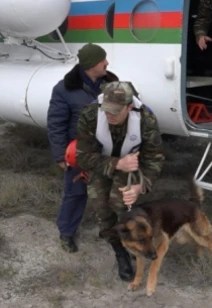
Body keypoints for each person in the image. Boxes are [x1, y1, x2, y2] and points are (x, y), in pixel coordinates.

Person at [75, 81, 165, 281]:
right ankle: (118, 249)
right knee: (101, 207)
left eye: (116, 111)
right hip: (102, 162)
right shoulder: (90, 114)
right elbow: (83, 156)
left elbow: (154, 159)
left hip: (132, 164)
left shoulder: (145, 119)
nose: (109, 116)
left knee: (122, 204)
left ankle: (134, 242)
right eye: (106, 110)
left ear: (130, 107)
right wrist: (116, 164)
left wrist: (140, 186)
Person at [47, 43, 119, 253]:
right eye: (102, 60)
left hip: (107, 150)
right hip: (79, 152)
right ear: (90, 65)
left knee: (108, 193)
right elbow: (56, 124)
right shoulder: (64, 89)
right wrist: (61, 156)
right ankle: (67, 232)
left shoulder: (112, 83)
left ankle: (108, 230)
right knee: (76, 193)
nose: (107, 63)